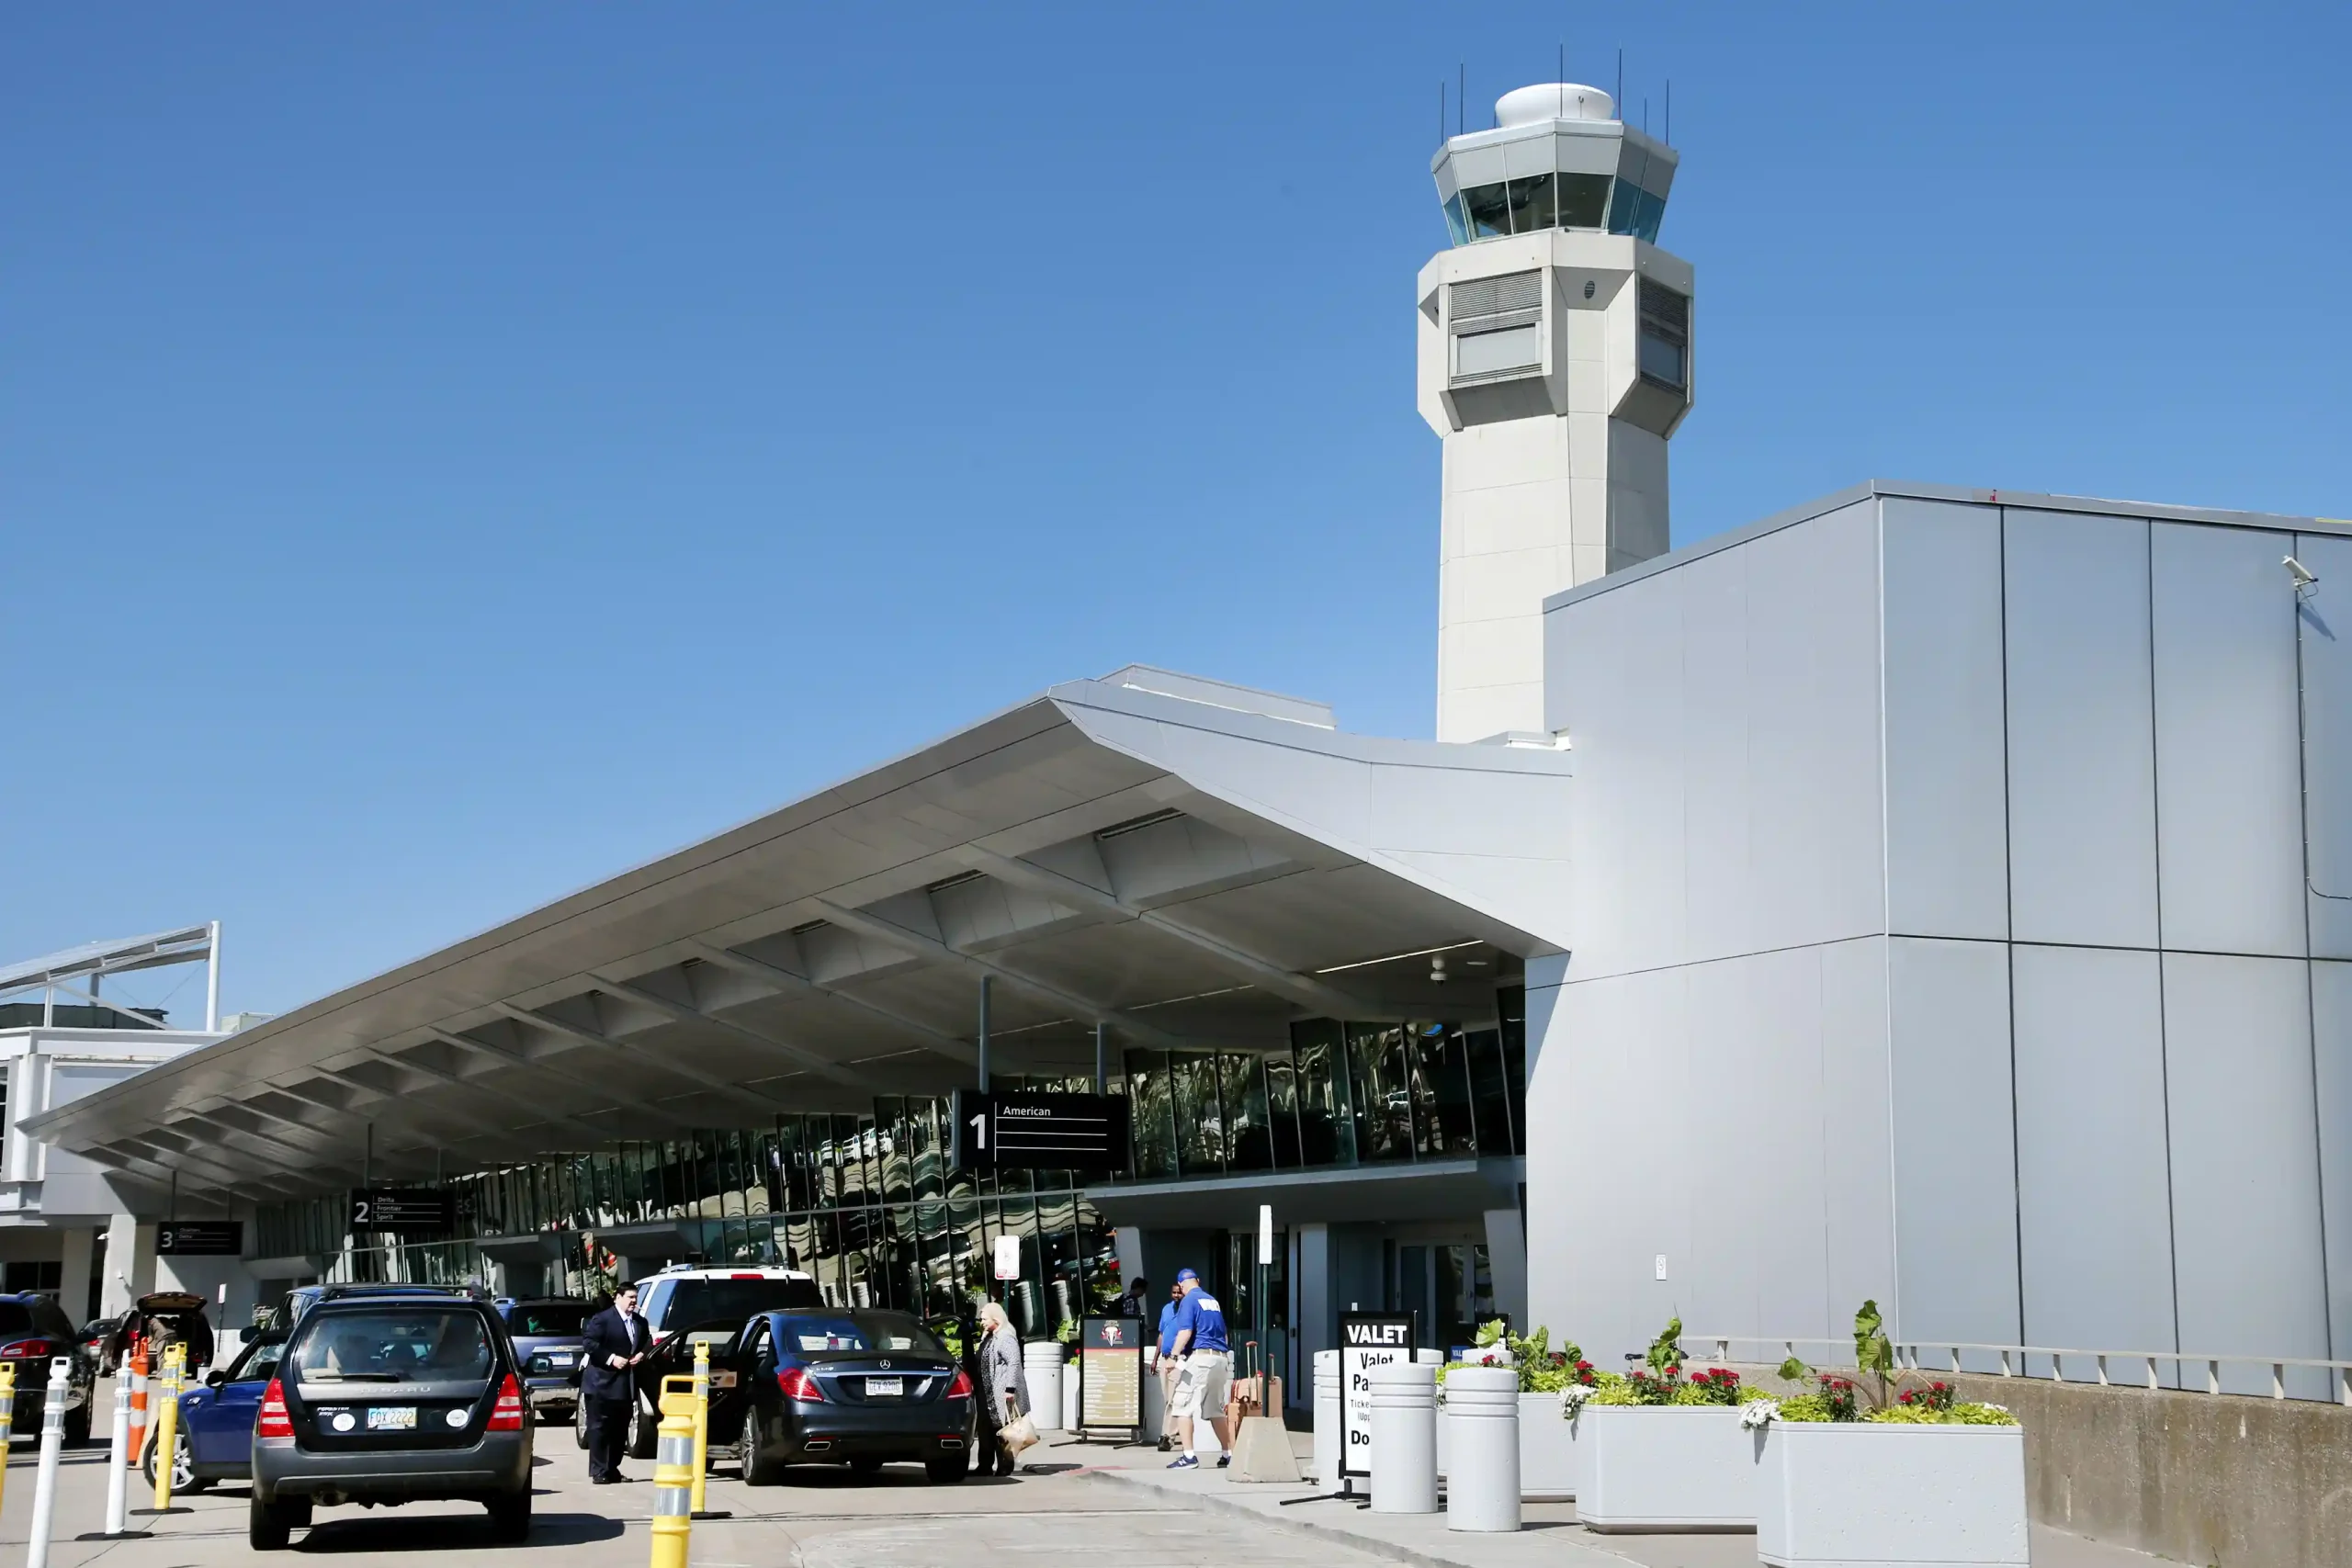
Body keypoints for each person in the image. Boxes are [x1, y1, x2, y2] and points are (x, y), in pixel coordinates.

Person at [1163, 1268, 1234, 1470]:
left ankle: (1188, 1456)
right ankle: (1228, 1454)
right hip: (1220, 1359)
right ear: (1198, 1281)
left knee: (1182, 1405)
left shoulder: (1189, 1300)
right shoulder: (1213, 1301)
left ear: (1182, 1286)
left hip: (1201, 1358)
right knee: (1215, 1410)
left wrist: (1173, 1358)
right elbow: (1224, 1333)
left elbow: (1186, 1331)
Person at [580, 1284, 650, 1484]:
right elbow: (589, 1344)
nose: (633, 1302)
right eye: (630, 1297)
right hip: (600, 1383)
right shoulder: (602, 1319)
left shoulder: (639, 1322)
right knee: (599, 1428)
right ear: (617, 1297)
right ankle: (599, 1471)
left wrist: (641, 1354)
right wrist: (611, 1358)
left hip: (625, 1384)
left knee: (619, 1430)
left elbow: (648, 1340)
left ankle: (612, 1468)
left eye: (635, 1297)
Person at [974, 1300, 1025, 1477]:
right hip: (985, 1392)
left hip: (1000, 1392)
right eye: (981, 1320)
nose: (982, 1323)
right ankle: (985, 1465)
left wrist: (1010, 1389)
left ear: (996, 1318)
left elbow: (1013, 1362)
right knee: (985, 1429)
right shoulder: (988, 1337)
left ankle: (1005, 1464)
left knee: (1003, 1430)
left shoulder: (1005, 1337)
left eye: (984, 1319)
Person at [1150, 1280, 1184, 1450]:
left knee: (1173, 1400)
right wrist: (1155, 1358)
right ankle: (1173, 1433)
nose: (1176, 1296)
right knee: (1167, 1400)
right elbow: (1162, 1334)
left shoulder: (1188, 1310)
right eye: (1174, 1293)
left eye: (1179, 1292)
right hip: (1164, 1359)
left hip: (1178, 1359)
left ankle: (1167, 1438)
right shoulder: (1166, 1309)